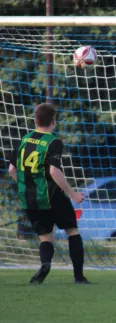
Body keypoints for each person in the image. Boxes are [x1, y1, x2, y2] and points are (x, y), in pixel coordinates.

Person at [8, 103, 90, 284]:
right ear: (53, 121)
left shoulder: (23, 139)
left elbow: (12, 170)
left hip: (30, 199)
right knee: (72, 231)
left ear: (35, 120)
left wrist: (26, 185)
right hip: (52, 196)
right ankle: (79, 277)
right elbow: (54, 171)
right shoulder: (54, 142)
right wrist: (73, 194)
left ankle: (45, 264)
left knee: (45, 236)